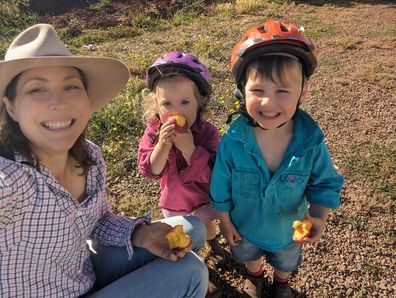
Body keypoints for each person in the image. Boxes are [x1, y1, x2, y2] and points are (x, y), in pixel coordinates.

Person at [0, 24, 208, 298]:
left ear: (87, 98)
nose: (58, 102)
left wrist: (139, 234)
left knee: (195, 228)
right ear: (11, 107)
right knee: (192, 273)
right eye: (37, 89)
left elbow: (98, 220)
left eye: (71, 86)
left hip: (80, 272)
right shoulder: (10, 179)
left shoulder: (90, 156)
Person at [210, 20, 344, 298]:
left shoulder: (310, 143)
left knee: (285, 262)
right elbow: (220, 183)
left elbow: (325, 183)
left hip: (287, 233)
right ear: (242, 90)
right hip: (244, 227)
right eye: (258, 91)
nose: (268, 103)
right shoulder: (233, 141)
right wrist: (224, 219)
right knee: (249, 255)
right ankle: (255, 275)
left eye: (282, 91)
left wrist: (318, 218)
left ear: (302, 91)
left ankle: (281, 283)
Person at [138, 51, 224, 297]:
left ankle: (213, 243)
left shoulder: (207, 133)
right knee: (183, 238)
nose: (176, 111)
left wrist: (190, 149)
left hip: (204, 198)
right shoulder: (154, 133)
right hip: (175, 201)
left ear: (200, 103)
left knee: (207, 225)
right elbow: (150, 170)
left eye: (185, 103)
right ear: (156, 105)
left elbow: (214, 175)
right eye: (167, 104)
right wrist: (162, 147)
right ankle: (195, 270)